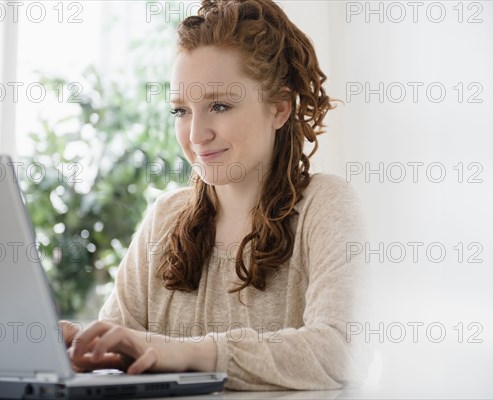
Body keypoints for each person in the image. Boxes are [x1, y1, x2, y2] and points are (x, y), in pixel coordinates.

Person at [62, 0, 370, 391]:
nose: (195, 135)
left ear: (279, 108)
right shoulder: (164, 217)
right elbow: (124, 346)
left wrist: (186, 353)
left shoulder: (326, 205)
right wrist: (79, 344)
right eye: (181, 111)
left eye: (219, 105)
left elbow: (341, 351)